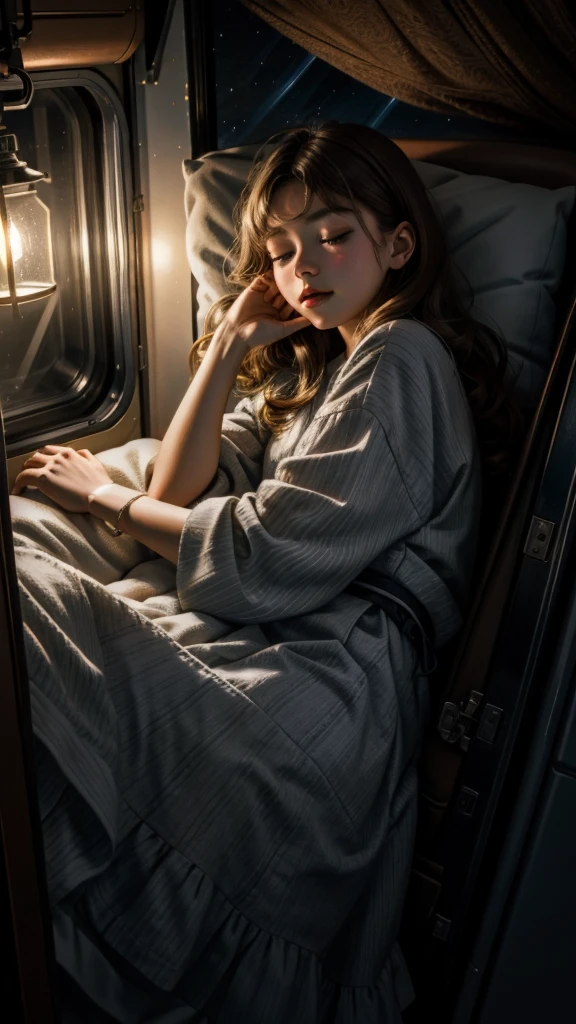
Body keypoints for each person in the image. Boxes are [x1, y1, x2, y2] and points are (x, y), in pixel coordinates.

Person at [11, 123, 520, 1023]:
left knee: (35, 604)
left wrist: (100, 498)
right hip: (286, 630)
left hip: (336, 671)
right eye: (281, 251)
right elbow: (180, 484)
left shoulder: (403, 358)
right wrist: (230, 337)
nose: (304, 267)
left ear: (400, 244)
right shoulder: (314, 377)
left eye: (333, 234)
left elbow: (263, 558)